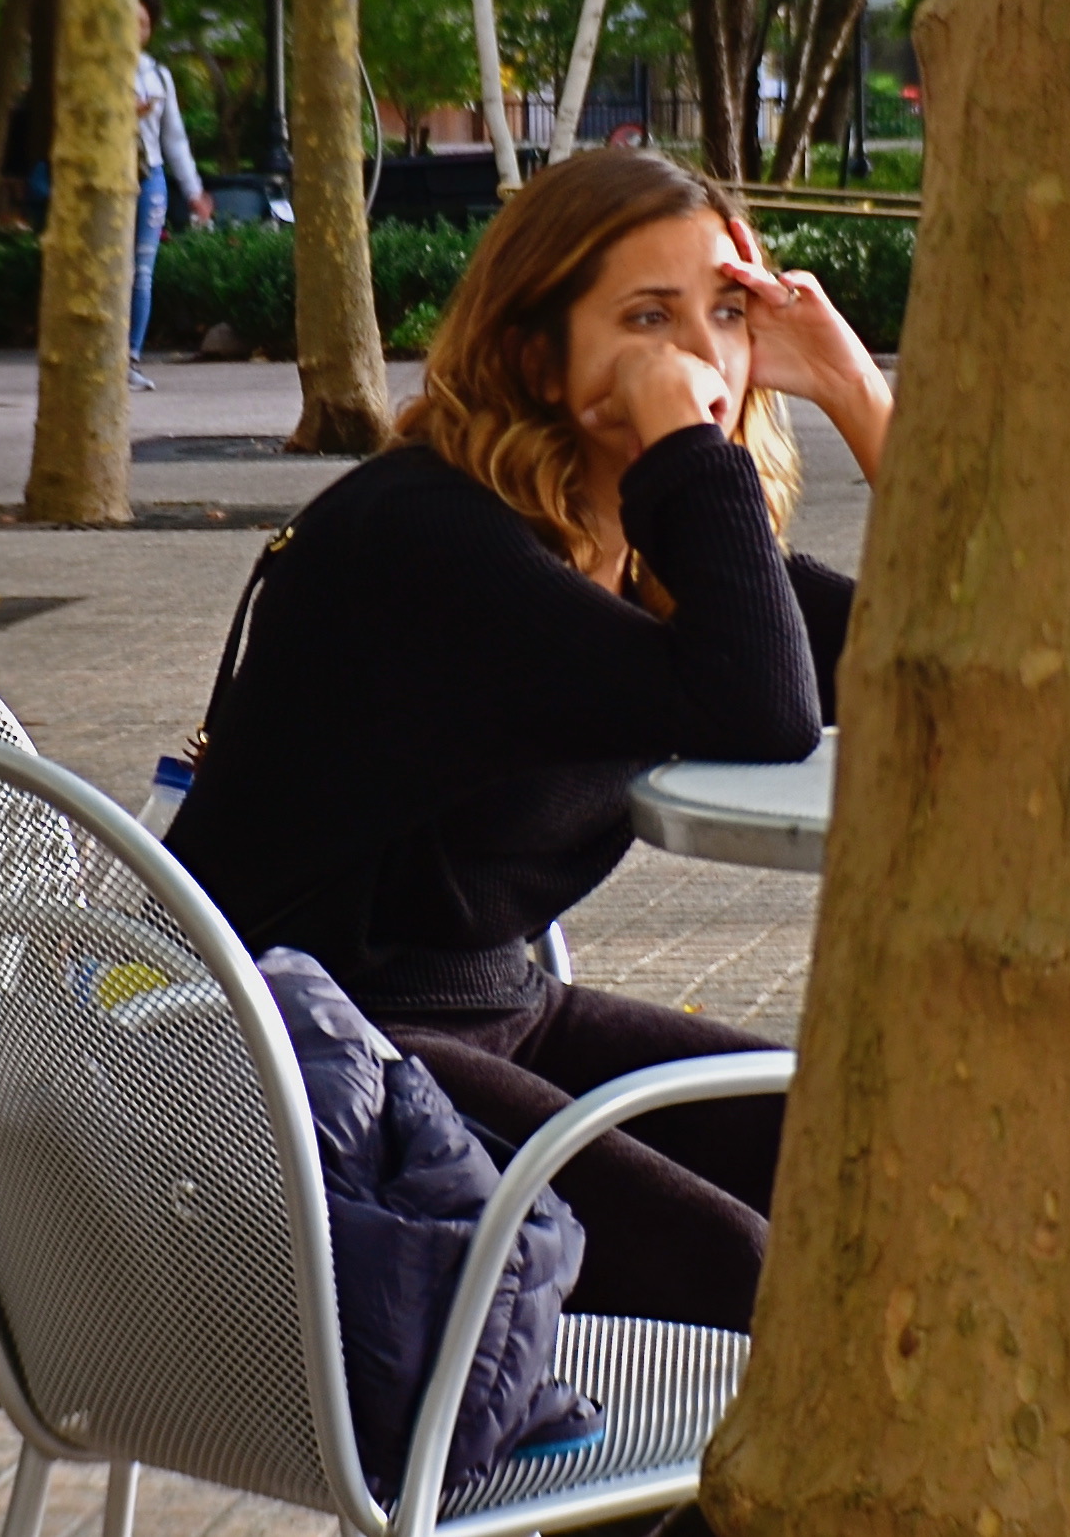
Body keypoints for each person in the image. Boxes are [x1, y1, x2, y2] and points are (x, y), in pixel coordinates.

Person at [167, 149, 892, 1334]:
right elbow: (761, 710)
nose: (698, 357)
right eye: (647, 319)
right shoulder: (436, 538)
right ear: (534, 356)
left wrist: (855, 390)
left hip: (490, 1010)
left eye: (725, 313)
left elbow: (936, 660)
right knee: (758, 1272)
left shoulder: (636, 540)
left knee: (876, 1157)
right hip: (298, 1054)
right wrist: (690, 449)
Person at [128, 0, 209, 389]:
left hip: (150, 177)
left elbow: (174, 137)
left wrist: (194, 191)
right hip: (107, 179)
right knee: (110, 268)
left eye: (143, 23)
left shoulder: (157, 75)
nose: (135, 29)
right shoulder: (96, 70)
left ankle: (130, 356)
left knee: (142, 271)